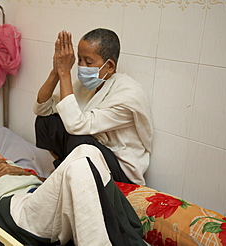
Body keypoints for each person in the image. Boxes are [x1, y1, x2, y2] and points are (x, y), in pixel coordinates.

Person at [0, 131, 146, 245]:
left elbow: (49, 182)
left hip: (42, 199)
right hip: (18, 211)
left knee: (87, 151)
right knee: (83, 154)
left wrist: (19, 172)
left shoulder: (8, 163)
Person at [34, 29, 153, 185]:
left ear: (109, 66)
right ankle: (66, 172)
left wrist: (65, 74)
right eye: (79, 60)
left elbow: (75, 126)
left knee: (80, 140)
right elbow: (42, 109)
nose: (81, 66)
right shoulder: (88, 85)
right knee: (47, 122)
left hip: (121, 171)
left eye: (88, 62)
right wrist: (56, 71)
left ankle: (73, 179)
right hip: (95, 154)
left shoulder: (128, 96)